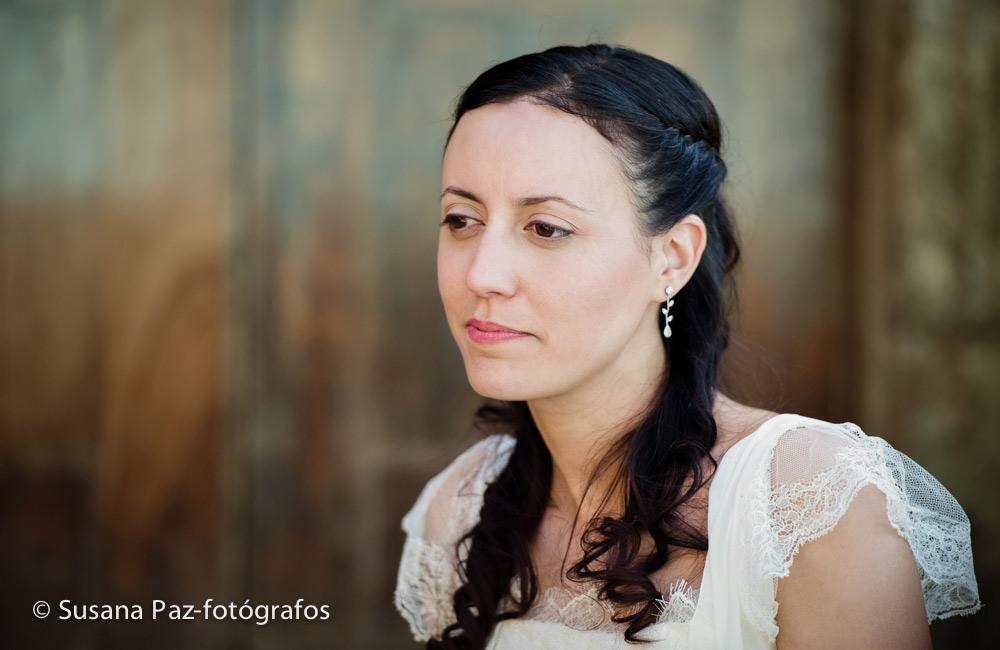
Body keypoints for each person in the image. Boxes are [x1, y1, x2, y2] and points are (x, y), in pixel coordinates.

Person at [393, 44, 982, 649]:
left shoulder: (805, 506)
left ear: (672, 258)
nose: (482, 275)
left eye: (546, 228)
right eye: (461, 219)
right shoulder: (460, 512)